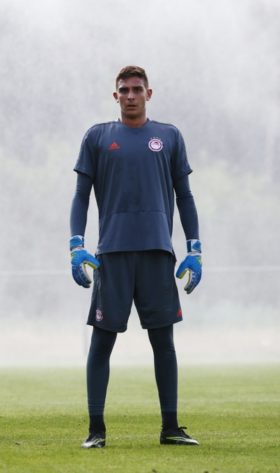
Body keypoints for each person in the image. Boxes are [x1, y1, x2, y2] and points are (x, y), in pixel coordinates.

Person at [69, 66, 202, 448]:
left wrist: (194, 249)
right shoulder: (97, 137)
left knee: (164, 343)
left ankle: (171, 428)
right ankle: (96, 431)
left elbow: (185, 196)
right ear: (115, 96)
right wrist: (76, 245)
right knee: (102, 343)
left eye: (137, 89)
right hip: (112, 254)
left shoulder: (169, 136)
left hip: (158, 253)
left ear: (149, 93)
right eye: (124, 90)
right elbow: (80, 196)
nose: (130, 95)